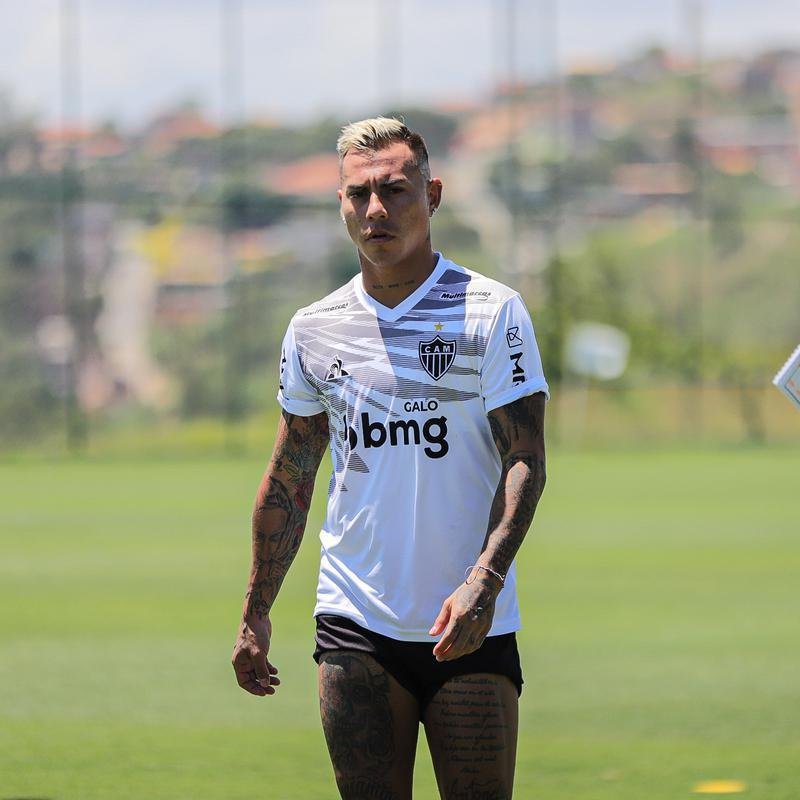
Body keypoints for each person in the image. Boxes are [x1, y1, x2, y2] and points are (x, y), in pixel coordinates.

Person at [232, 117, 548, 800]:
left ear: (432, 195)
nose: (376, 209)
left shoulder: (491, 312)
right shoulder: (313, 329)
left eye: (395, 190)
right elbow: (291, 475)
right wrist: (256, 609)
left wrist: (484, 582)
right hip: (354, 620)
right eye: (359, 194)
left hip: (471, 621)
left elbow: (525, 457)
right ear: (341, 204)